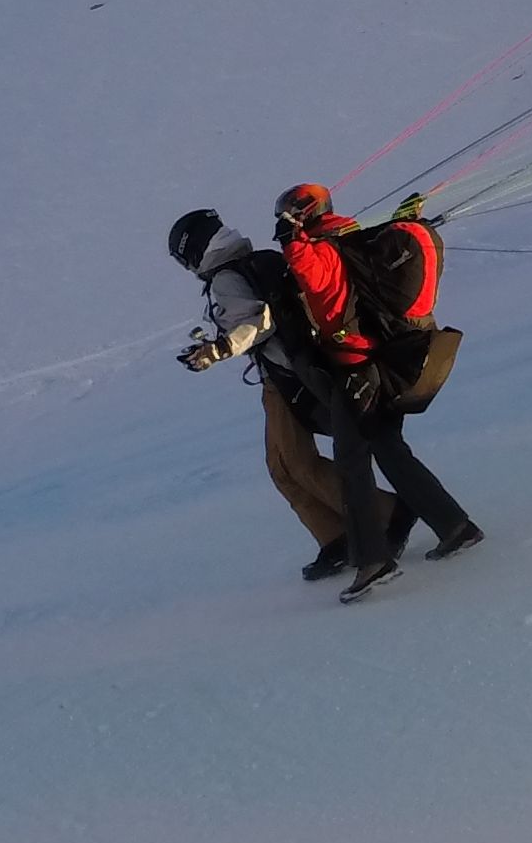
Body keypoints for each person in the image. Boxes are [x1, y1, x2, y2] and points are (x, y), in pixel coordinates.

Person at [269, 182, 481, 602]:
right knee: (389, 449)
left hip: (357, 370)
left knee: (352, 463)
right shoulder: (349, 235)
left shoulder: (324, 248)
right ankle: (455, 527)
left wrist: (294, 245)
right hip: (380, 363)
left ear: (302, 214)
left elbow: (323, 289)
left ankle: (373, 560)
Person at [171, 206, 355, 580]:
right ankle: (337, 536)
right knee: (282, 468)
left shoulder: (226, 278)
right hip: (294, 368)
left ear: (194, 252)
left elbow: (259, 320)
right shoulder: (257, 261)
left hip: (285, 376)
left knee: (295, 465)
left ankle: (382, 517)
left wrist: (217, 350)